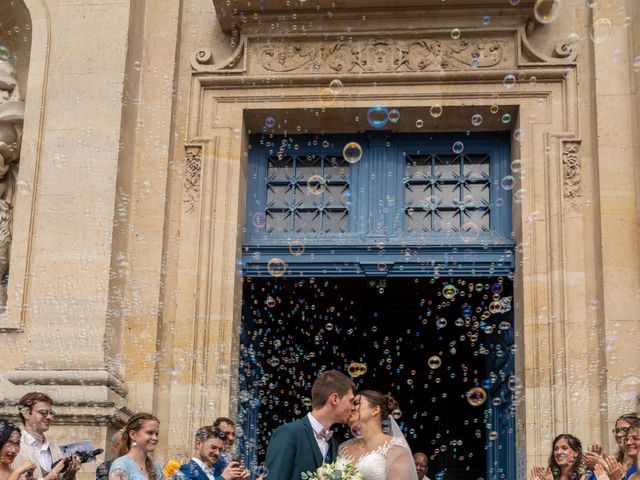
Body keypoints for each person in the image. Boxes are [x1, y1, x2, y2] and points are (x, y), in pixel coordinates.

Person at [264, 370, 356, 480]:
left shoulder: (334, 444)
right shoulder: (289, 434)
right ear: (335, 399)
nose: (353, 407)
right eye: (351, 401)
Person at [339, 390, 418, 480]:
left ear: (375, 410)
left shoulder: (395, 448)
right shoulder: (343, 448)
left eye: (356, 403)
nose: (351, 408)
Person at [11, 392, 80, 480]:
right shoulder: (13, 447)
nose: (49, 417)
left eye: (51, 413)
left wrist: (70, 475)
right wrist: (50, 476)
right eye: (43, 412)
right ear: (26, 413)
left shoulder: (56, 449)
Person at [108, 413, 163, 480]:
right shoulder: (121, 466)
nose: (155, 438)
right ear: (133, 434)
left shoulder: (156, 468)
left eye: (156, 434)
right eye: (150, 433)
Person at [586, 413, 639, 480]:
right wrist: (596, 467)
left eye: (625, 430)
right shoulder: (615, 460)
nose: (619, 434)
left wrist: (604, 465)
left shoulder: (637, 465)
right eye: (617, 431)